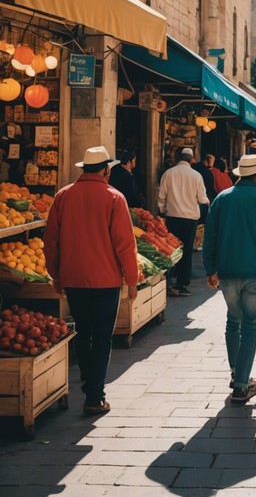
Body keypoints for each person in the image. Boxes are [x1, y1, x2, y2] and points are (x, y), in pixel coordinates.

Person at [44, 146, 139, 416]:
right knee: (101, 338)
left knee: (83, 332)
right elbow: (125, 244)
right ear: (106, 170)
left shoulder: (63, 196)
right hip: (106, 280)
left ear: (83, 169)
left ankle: (89, 384)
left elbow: (50, 241)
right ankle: (94, 396)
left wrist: (56, 275)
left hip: (74, 279)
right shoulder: (114, 197)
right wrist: (131, 281)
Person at [203, 154, 256, 404]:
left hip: (227, 272)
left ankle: (236, 373)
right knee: (250, 328)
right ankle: (241, 384)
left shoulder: (221, 199)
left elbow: (210, 237)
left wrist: (210, 269)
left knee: (233, 322)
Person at [158, 147, 209, 296]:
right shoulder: (196, 176)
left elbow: (161, 196)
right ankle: (182, 283)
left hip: (173, 216)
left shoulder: (169, 173)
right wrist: (207, 201)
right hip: (189, 218)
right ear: (191, 159)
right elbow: (202, 198)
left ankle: (169, 280)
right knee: (186, 251)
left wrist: (163, 210)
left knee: (172, 249)